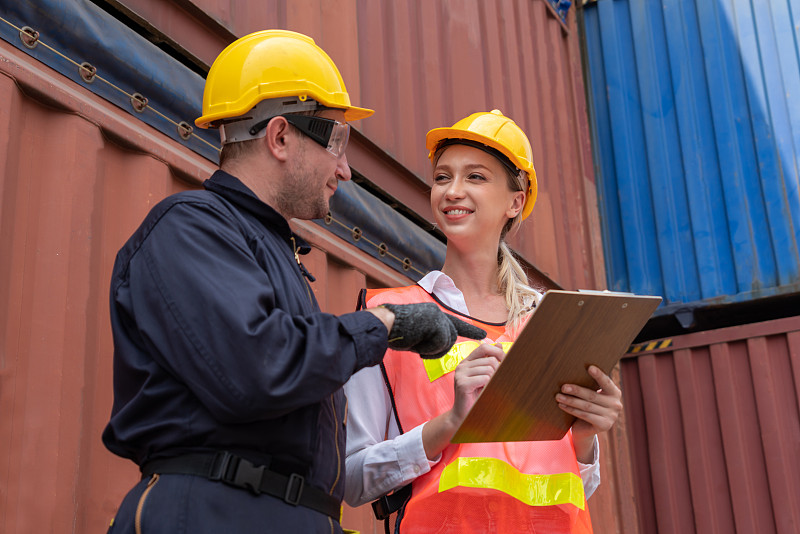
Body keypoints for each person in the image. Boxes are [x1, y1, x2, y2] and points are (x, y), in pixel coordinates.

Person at [102, 30, 485, 534]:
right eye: (338, 142)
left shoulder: (272, 252)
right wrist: (385, 324)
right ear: (280, 137)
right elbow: (259, 367)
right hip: (215, 514)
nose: (345, 171)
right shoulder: (190, 226)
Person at [343, 110, 623, 533]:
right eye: (442, 177)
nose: (452, 191)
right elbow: (351, 479)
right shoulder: (388, 317)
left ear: (515, 201)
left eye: (475, 176)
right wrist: (449, 425)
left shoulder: (549, 324)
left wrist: (584, 438)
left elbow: (564, 489)